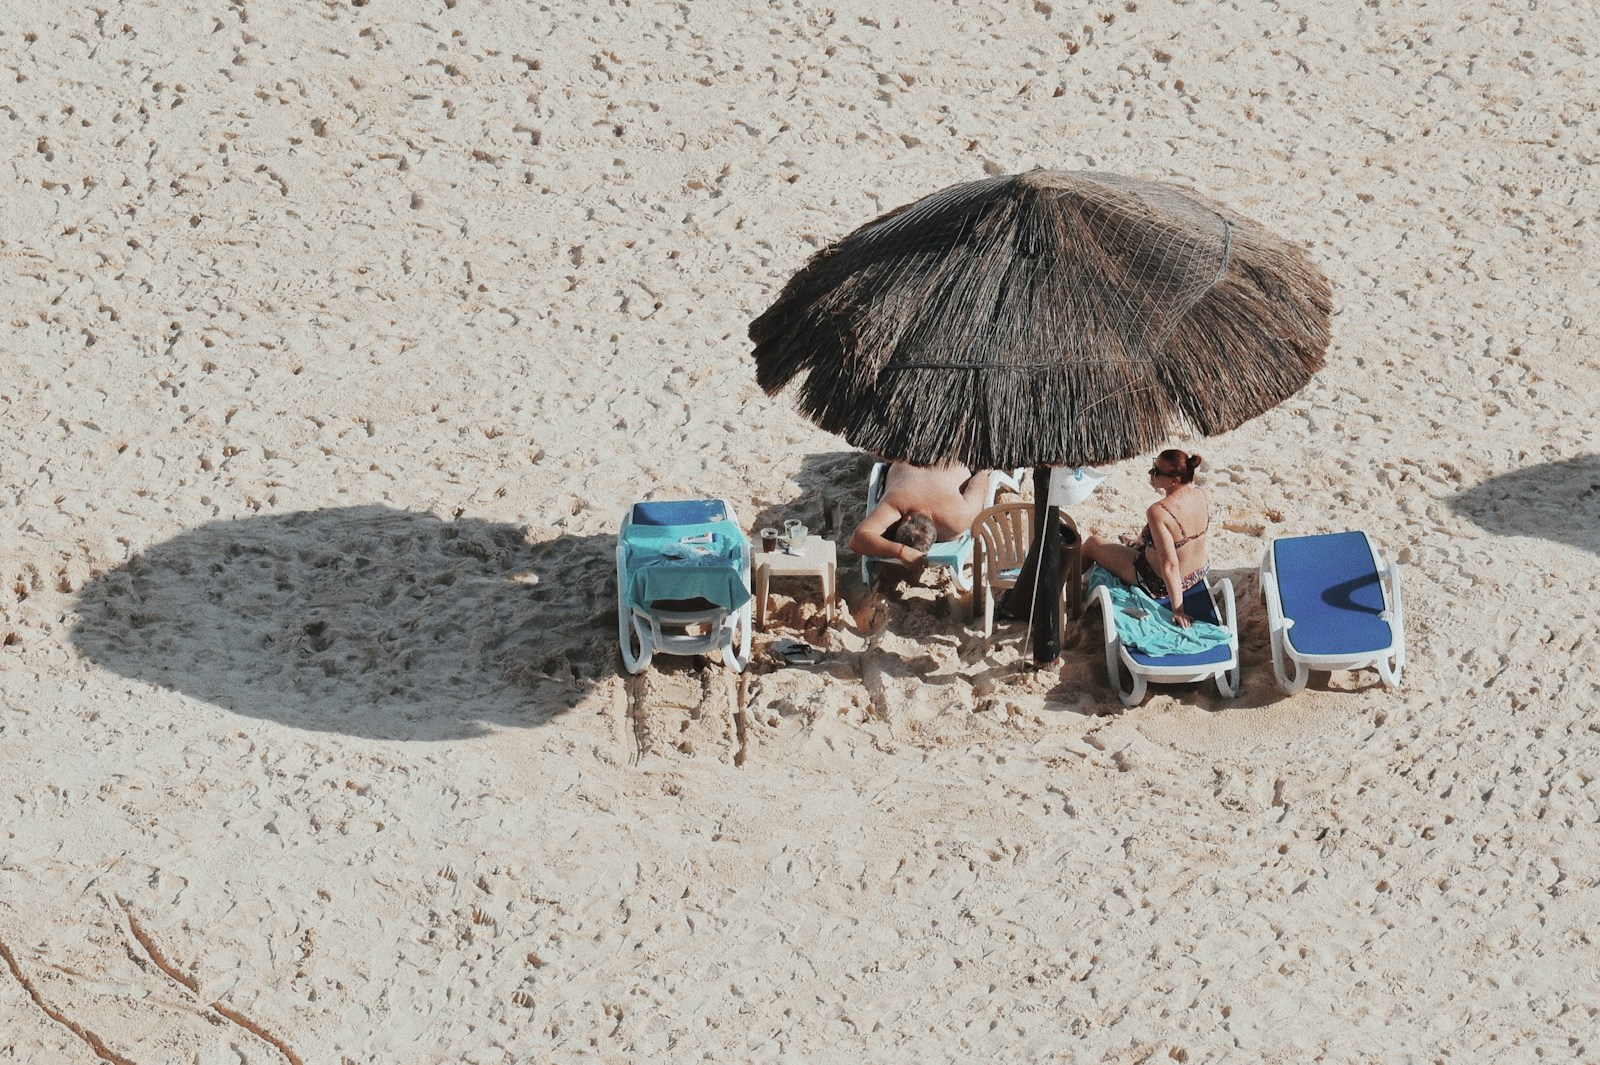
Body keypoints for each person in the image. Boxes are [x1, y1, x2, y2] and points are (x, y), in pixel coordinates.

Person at [1082, 449, 1210, 628]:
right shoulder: (1199, 495)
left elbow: (1170, 565)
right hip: (1198, 572)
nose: (1151, 473)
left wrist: (1178, 610)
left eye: (1156, 471)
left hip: (1158, 582)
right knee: (1140, 540)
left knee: (1091, 543)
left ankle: (1062, 590)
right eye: (1153, 466)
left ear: (1175, 480)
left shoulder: (1158, 511)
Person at [849, 461, 995, 567]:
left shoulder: (959, 518)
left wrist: (901, 552)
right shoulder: (897, 503)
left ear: (905, 517)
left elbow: (981, 477)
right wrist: (901, 551)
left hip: (943, 454)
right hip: (916, 451)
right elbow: (982, 475)